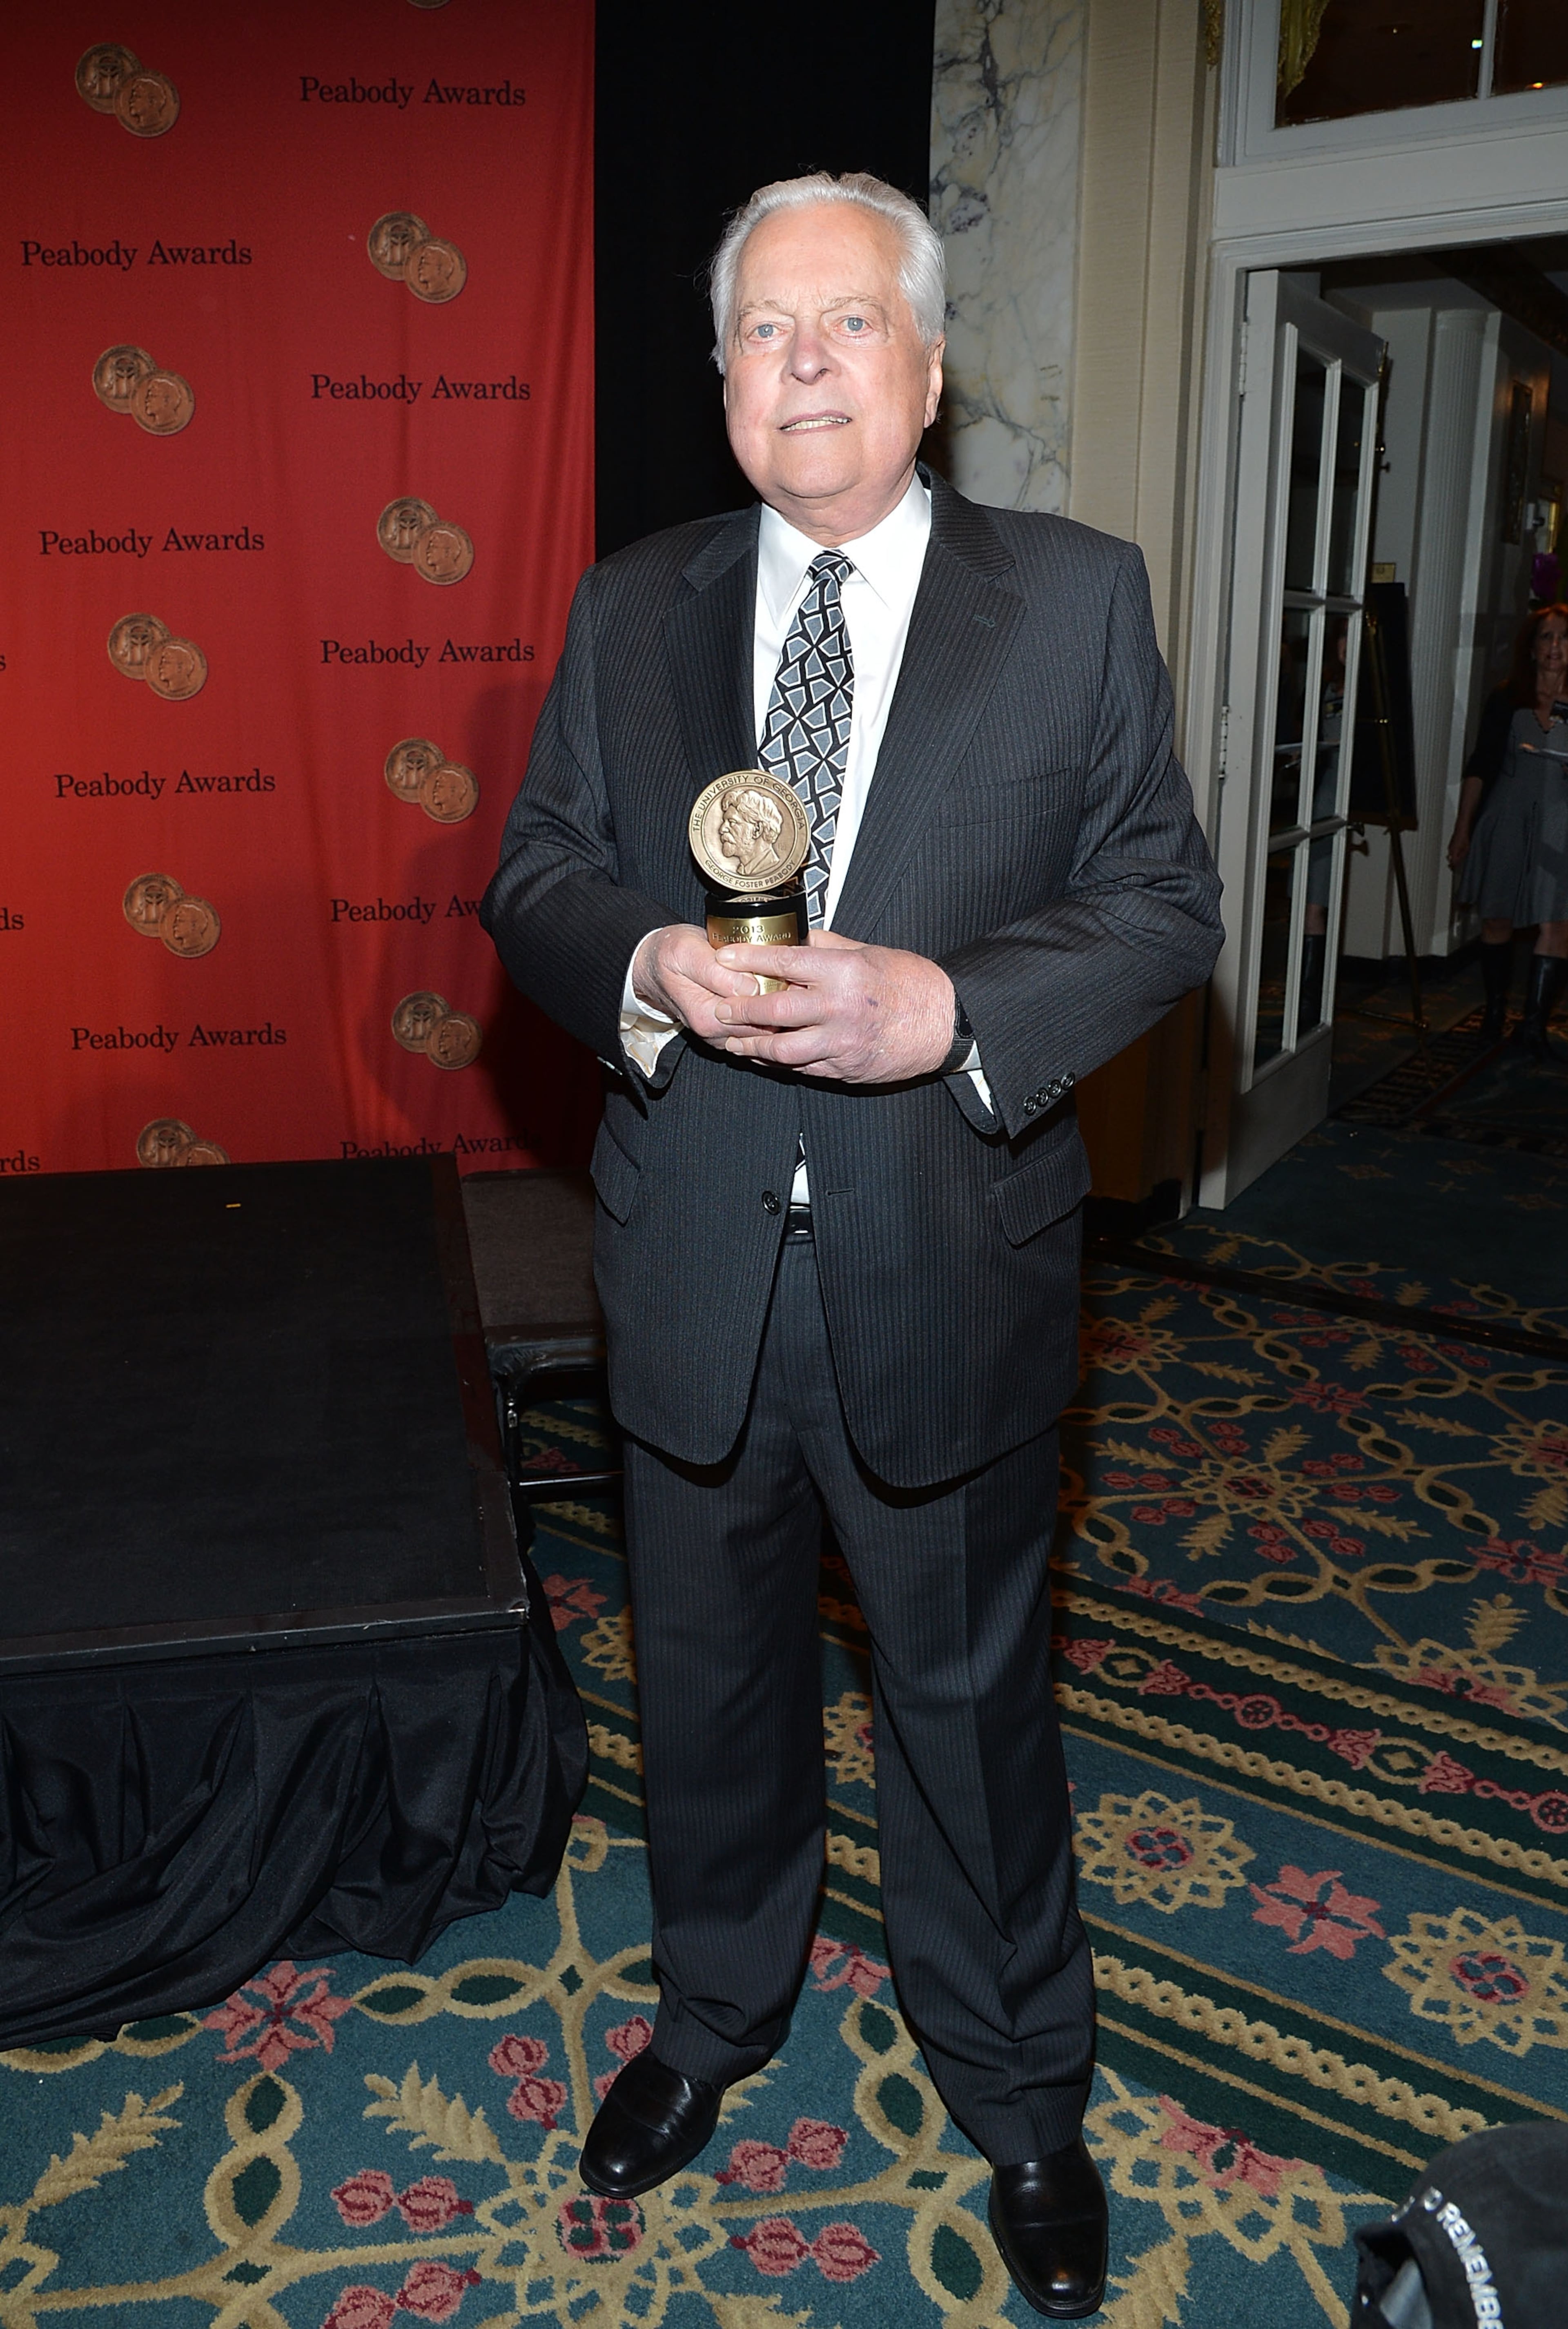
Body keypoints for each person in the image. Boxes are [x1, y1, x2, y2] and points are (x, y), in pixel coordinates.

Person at [481, 172, 1222, 2321]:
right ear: (722, 377)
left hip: (948, 1257)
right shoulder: (631, 604)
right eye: (762, 328)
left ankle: (1019, 2083)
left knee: (970, 1706)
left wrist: (953, 1012)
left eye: (847, 321)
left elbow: (1163, 902)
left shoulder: (1070, 597)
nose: (803, 361)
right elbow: (536, 873)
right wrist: (641, 962)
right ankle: (713, 2010)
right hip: (691, 1260)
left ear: (928, 363)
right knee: (705, 1680)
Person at [1448, 602, 1568, 1059]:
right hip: (1508, 817)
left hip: (1561, 824)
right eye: (1546, 637)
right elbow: (1481, 765)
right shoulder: (1507, 697)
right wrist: (1463, 828)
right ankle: (1496, 1011)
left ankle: (1533, 1026)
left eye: (1565, 637)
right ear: (1531, 649)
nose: (1555, 646)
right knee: (1496, 916)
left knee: (1557, 921)